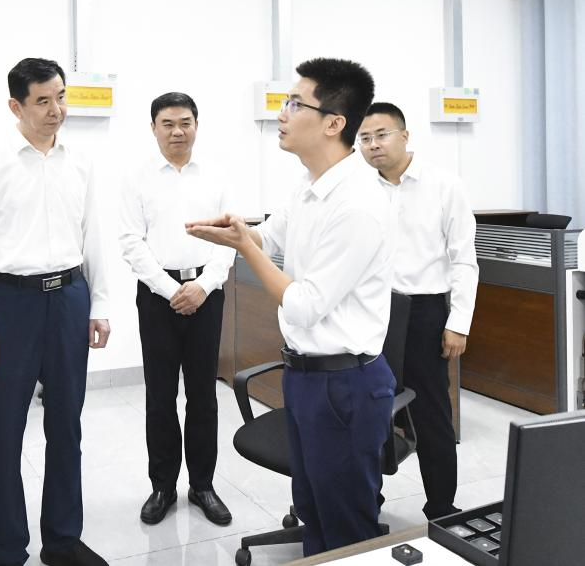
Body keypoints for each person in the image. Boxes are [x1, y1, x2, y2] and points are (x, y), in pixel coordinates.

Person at [187, 57, 395, 557]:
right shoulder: (309, 185)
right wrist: (241, 233)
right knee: (313, 510)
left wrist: (245, 248)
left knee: (346, 531)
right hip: (305, 377)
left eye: (295, 104)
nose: (281, 114)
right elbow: (271, 237)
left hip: (345, 384)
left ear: (333, 123)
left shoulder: (358, 203)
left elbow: (304, 305)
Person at [0, 57, 111, 566]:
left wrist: (100, 304)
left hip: (69, 297)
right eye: (43, 101)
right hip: (11, 303)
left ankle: (63, 539)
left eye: (61, 97)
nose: (56, 110)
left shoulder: (81, 160)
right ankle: (7, 548)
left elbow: (94, 236)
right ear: (16, 106)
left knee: (66, 425)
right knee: (5, 431)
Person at [119, 92, 235, 526]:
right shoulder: (137, 178)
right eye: (167, 123)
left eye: (185, 122)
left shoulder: (216, 175)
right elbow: (131, 243)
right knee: (160, 395)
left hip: (207, 292)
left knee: (204, 395)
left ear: (196, 125)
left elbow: (230, 239)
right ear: (153, 128)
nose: (177, 131)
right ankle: (163, 487)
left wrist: (202, 286)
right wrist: (172, 290)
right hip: (157, 296)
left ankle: (203, 485)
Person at [359, 102, 478, 520]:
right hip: (370, 311)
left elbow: (464, 259)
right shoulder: (358, 188)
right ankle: (366, 502)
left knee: (431, 413)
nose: (373, 145)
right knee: (368, 409)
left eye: (381, 135)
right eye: (365, 138)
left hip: (424, 313)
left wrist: (458, 323)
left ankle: (442, 507)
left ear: (405, 136)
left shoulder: (444, 185)